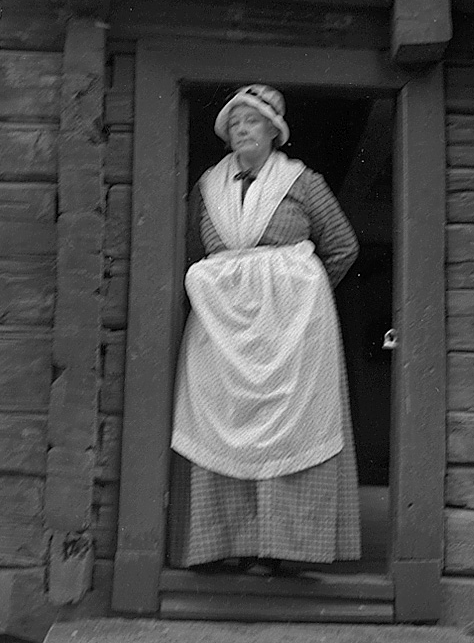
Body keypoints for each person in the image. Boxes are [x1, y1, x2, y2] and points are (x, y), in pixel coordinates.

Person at [168, 84, 361, 577]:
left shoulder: (304, 182)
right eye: (233, 123)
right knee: (220, 419)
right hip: (221, 329)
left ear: (275, 130)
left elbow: (342, 245)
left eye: (251, 120)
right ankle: (222, 545)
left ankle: (279, 550)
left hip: (292, 331)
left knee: (293, 427)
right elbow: (190, 250)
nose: (241, 129)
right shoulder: (207, 187)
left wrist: (301, 297)